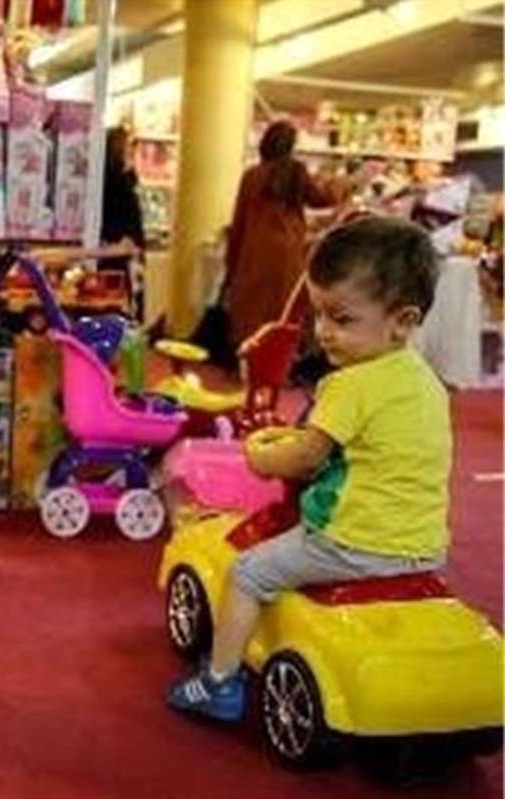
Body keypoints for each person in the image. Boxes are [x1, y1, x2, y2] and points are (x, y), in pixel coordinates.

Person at [167, 216, 450, 721]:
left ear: (403, 321)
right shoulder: (425, 381)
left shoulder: (350, 384)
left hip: (353, 542)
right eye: (319, 315)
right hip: (421, 543)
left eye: (342, 319)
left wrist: (259, 456)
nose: (323, 332)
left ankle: (219, 683)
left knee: (248, 572)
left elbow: (306, 458)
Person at [225, 121, 346, 351]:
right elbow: (323, 199)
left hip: (255, 253)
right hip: (289, 253)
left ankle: (249, 354)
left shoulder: (251, 176)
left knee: (252, 310)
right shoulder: (297, 173)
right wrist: (342, 182)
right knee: (284, 308)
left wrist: (231, 265)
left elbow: (239, 221)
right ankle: (280, 356)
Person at [99, 127, 147, 319]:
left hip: (117, 253)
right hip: (119, 254)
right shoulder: (119, 183)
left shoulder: (113, 180)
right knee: (122, 304)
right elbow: (129, 221)